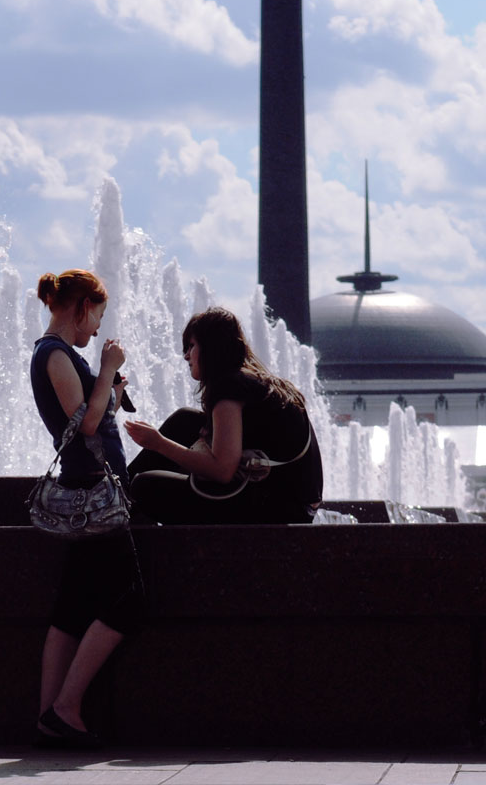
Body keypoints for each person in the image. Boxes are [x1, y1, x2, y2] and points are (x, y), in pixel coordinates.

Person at [29, 269, 144, 748]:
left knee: (73, 606)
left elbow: (95, 416)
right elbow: (86, 426)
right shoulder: (54, 354)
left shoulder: (58, 355)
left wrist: (111, 393)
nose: (98, 327)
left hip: (87, 486)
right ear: (80, 307)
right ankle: (66, 706)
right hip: (91, 493)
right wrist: (108, 367)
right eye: (97, 314)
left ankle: (48, 718)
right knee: (130, 598)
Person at [124, 307, 323, 524]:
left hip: (279, 507)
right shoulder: (251, 382)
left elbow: (222, 471)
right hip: (291, 501)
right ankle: (118, 492)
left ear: (211, 348)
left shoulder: (228, 388)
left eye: (191, 346)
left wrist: (158, 443)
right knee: (185, 421)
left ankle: (118, 499)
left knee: (144, 486)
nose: (186, 356)